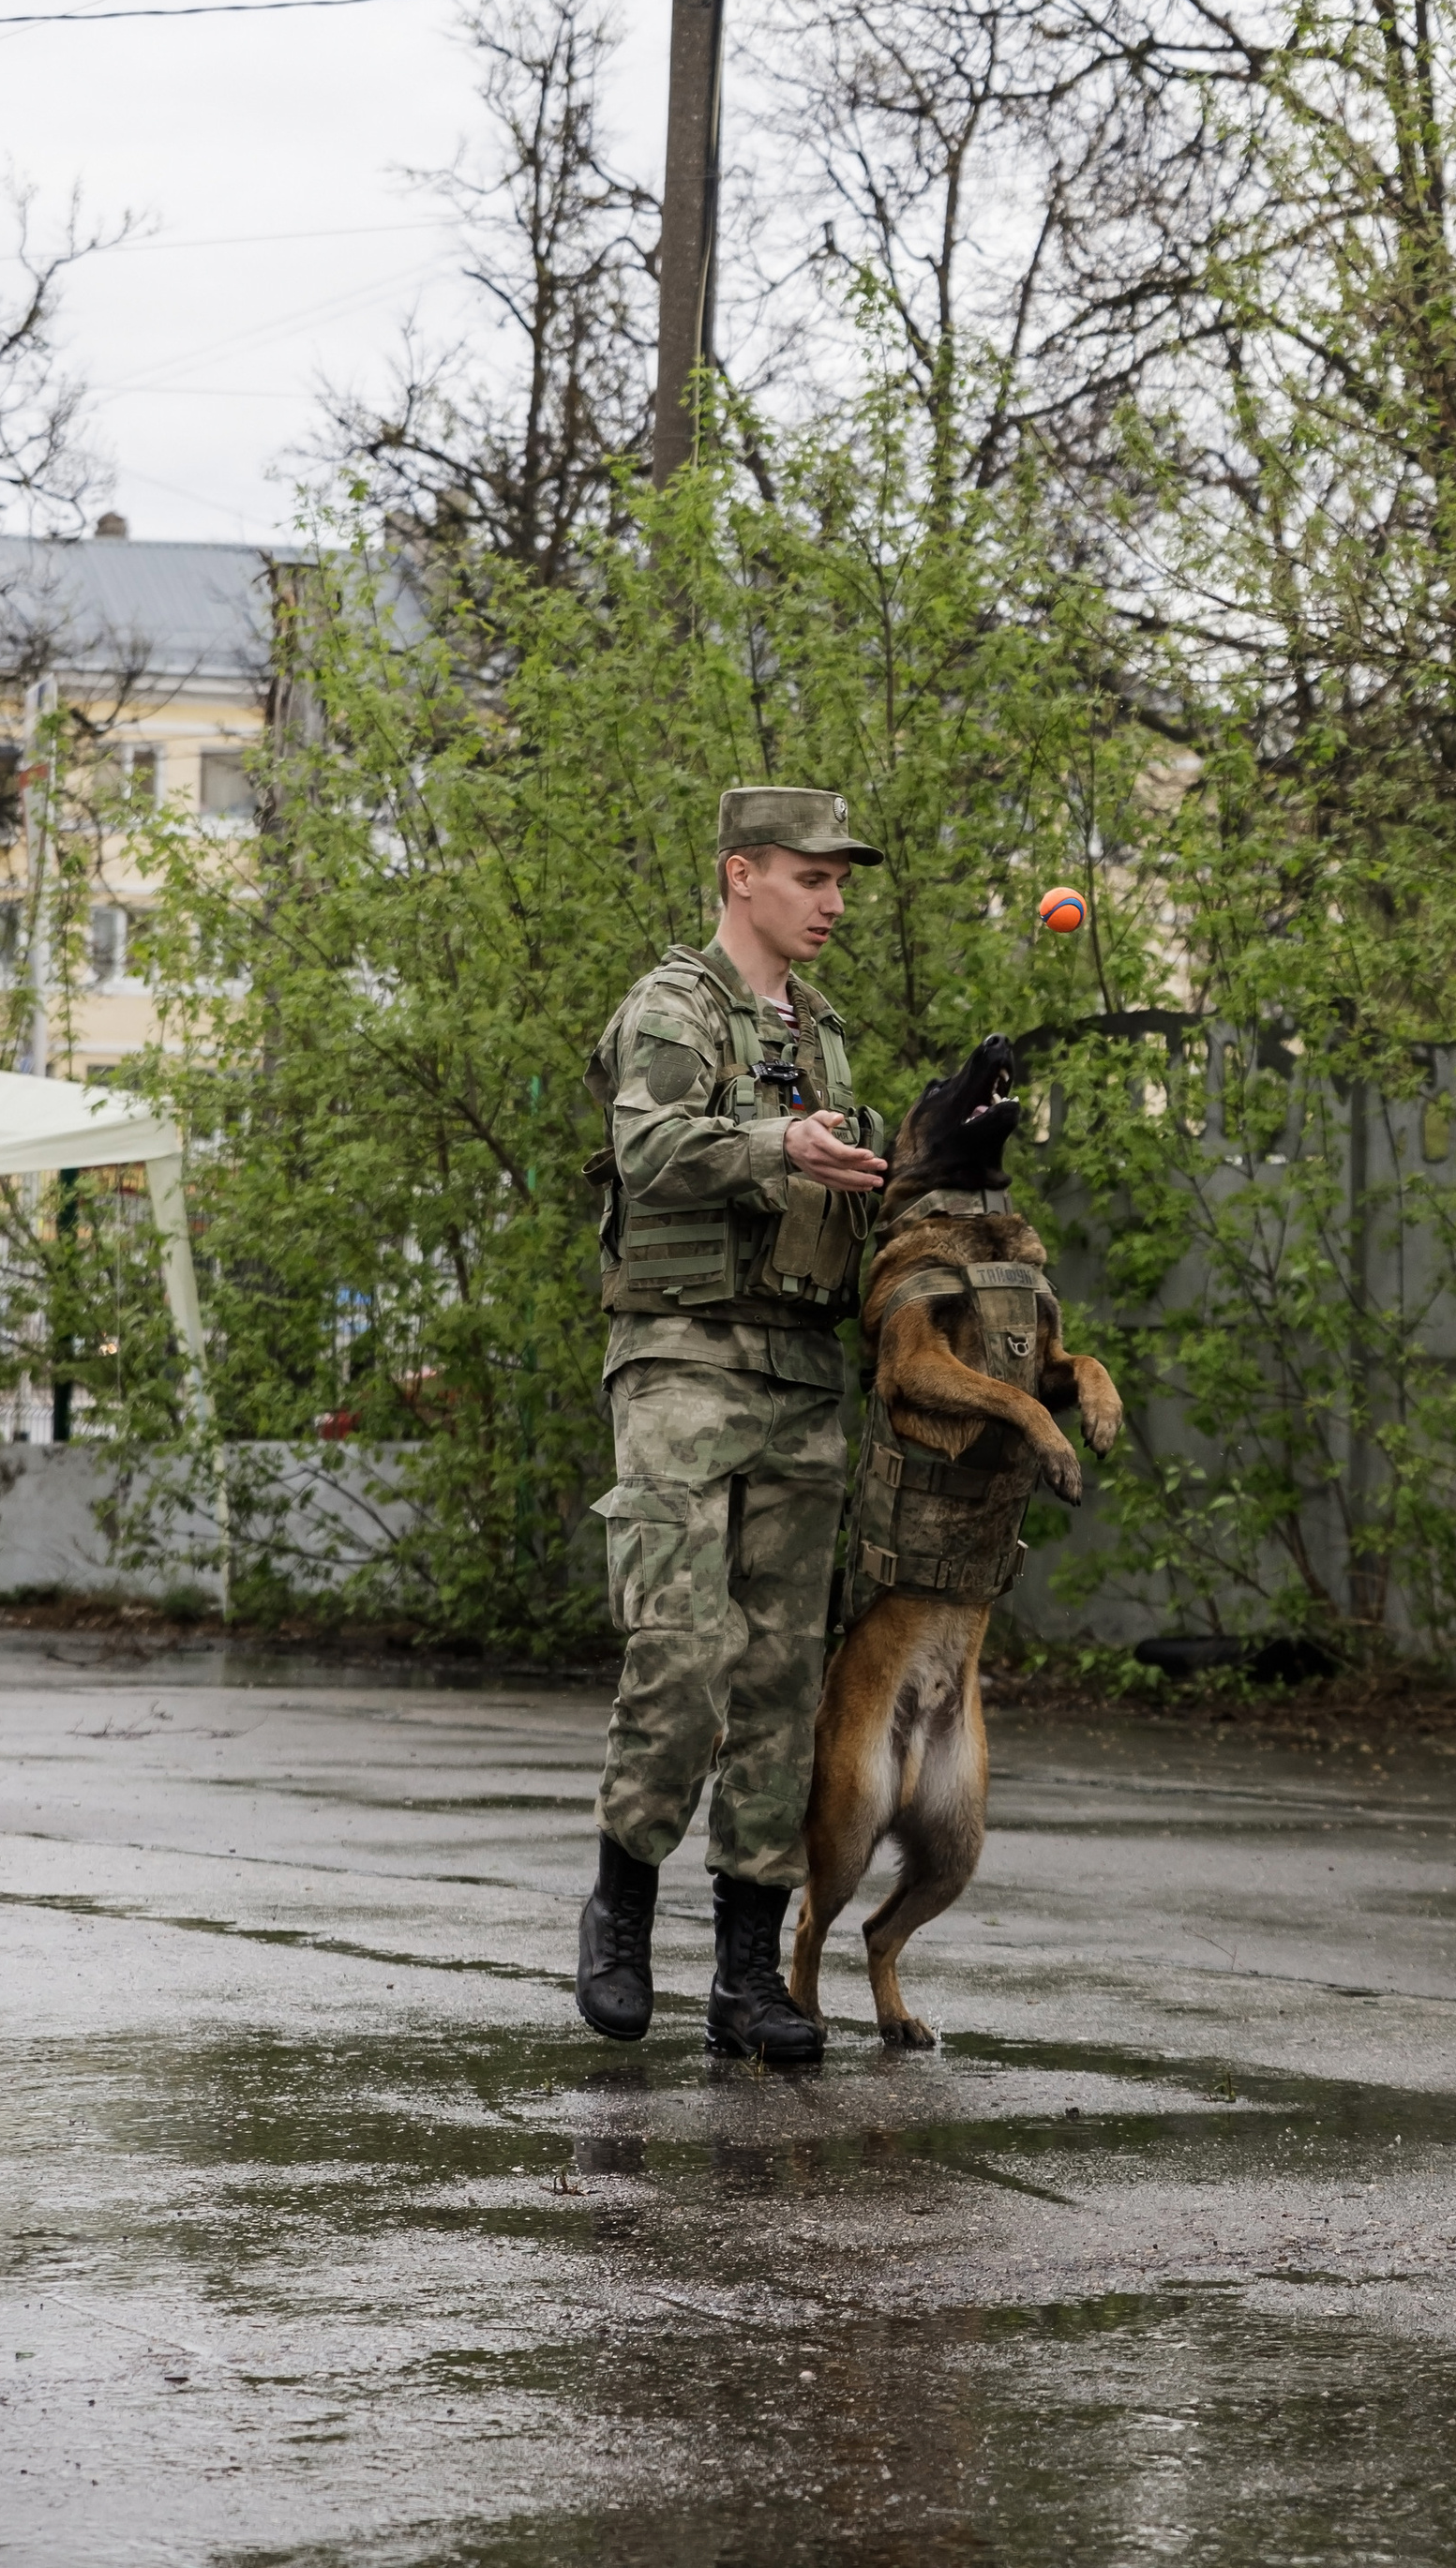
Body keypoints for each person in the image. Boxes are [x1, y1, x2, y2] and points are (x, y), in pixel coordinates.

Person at [577, 785, 886, 2062]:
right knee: (684, 1649)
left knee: (779, 1679)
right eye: (811, 876)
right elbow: (650, 1145)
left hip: (804, 1371)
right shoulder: (674, 1006)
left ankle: (749, 1971)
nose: (832, 899)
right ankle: (623, 1901)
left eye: (840, 880)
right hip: (685, 1357)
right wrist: (780, 1146)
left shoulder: (827, 1034)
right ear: (741, 873)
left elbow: (847, 1195)